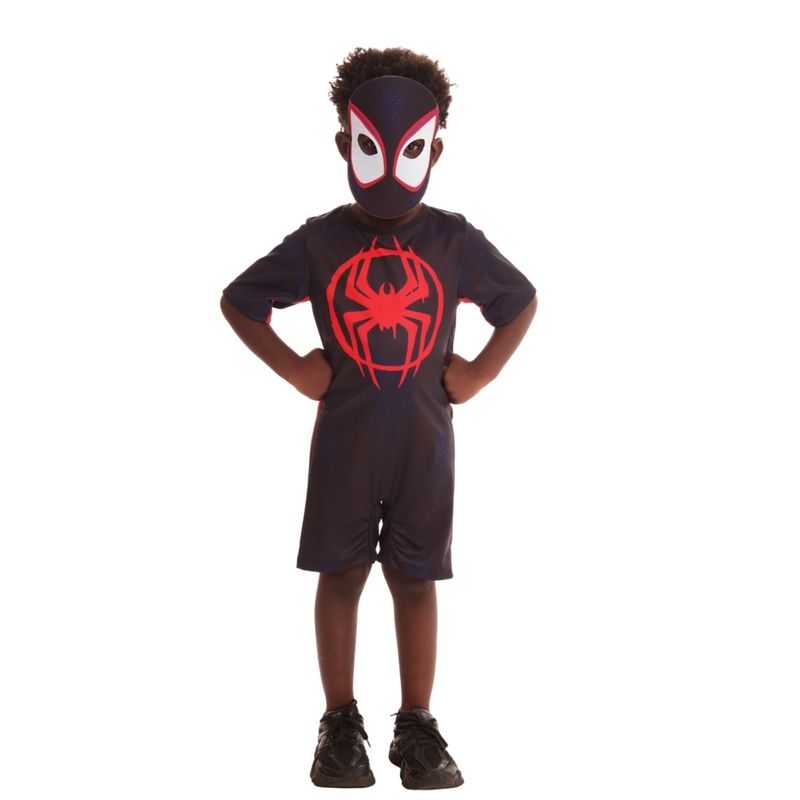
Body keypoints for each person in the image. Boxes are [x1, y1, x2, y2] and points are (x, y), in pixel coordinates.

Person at [220, 46, 538, 790]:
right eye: (371, 145)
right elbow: (240, 299)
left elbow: (519, 301)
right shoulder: (321, 241)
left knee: (416, 581)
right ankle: (339, 723)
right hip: (346, 447)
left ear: (435, 150)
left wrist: (481, 372)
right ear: (346, 144)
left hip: (425, 449)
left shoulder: (454, 242)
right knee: (341, 575)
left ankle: (416, 724)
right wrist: (295, 368)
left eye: (412, 147)